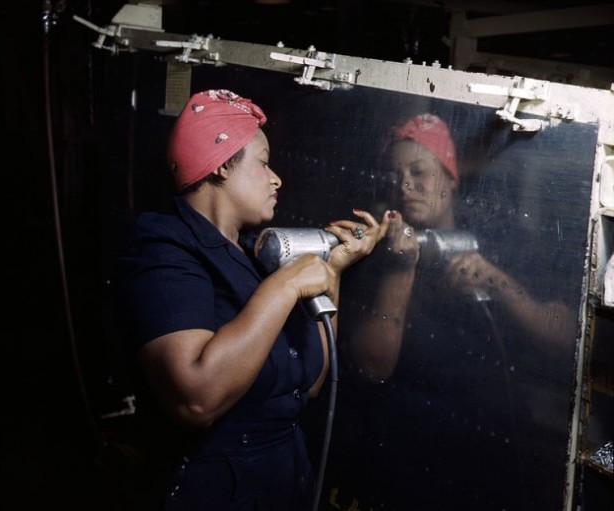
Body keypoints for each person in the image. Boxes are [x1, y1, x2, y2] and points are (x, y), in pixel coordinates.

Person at [115, 89, 391, 511]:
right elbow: (195, 399)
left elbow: (311, 384)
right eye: (263, 163)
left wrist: (332, 270)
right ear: (223, 164)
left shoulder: (250, 255)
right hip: (212, 492)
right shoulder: (163, 249)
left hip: (283, 480)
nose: (276, 178)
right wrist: (284, 287)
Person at [327, 113, 577, 510]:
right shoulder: (370, 253)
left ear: (451, 176)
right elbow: (372, 364)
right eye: (395, 174)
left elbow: (566, 340)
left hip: (492, 448)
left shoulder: (500, 237)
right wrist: (400, 270)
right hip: (403, 455)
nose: (405, 184)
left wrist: (496, 281)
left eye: (419, 171)